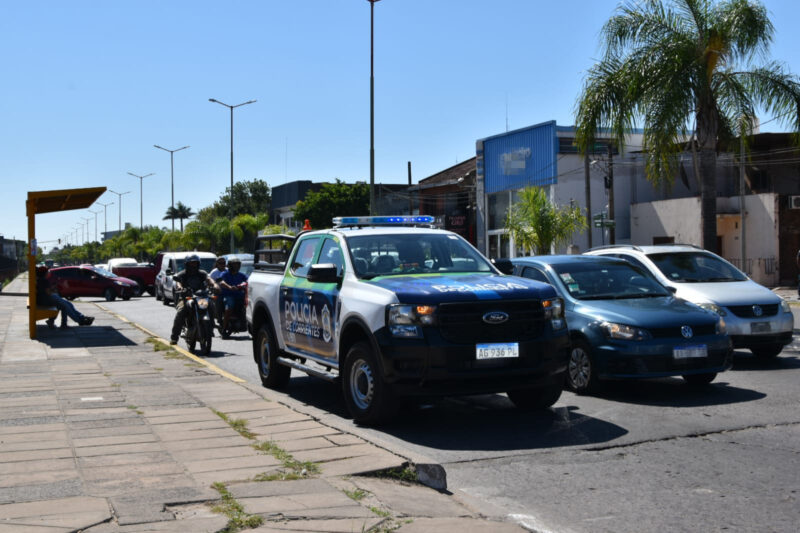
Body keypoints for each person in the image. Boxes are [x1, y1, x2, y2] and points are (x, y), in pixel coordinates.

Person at [170, 254, 216, 344]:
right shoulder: (182, 274)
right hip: (186, 298)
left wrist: (214, 284)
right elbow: (178, 282)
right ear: (187, 264)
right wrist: (180, 288)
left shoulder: (202, 273)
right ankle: (174, 337)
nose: (193, 265)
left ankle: (210, 328)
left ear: (198, 264)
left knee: (211, 307)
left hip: (200, 297)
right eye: (191, 263)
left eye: (195, 263)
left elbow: (208, 279)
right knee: (181, 312)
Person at [219, 256, 248, 337]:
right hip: (229, 295)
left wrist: (243, 284)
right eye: (234, 264)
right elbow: (222, 282)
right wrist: (229, 287)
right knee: (229, 307)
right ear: (230, 265)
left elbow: (248, 281)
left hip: (240, 296)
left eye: (238, 264)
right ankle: (224, 328)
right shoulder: (225, 274)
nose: (236, 266)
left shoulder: (241, 275)